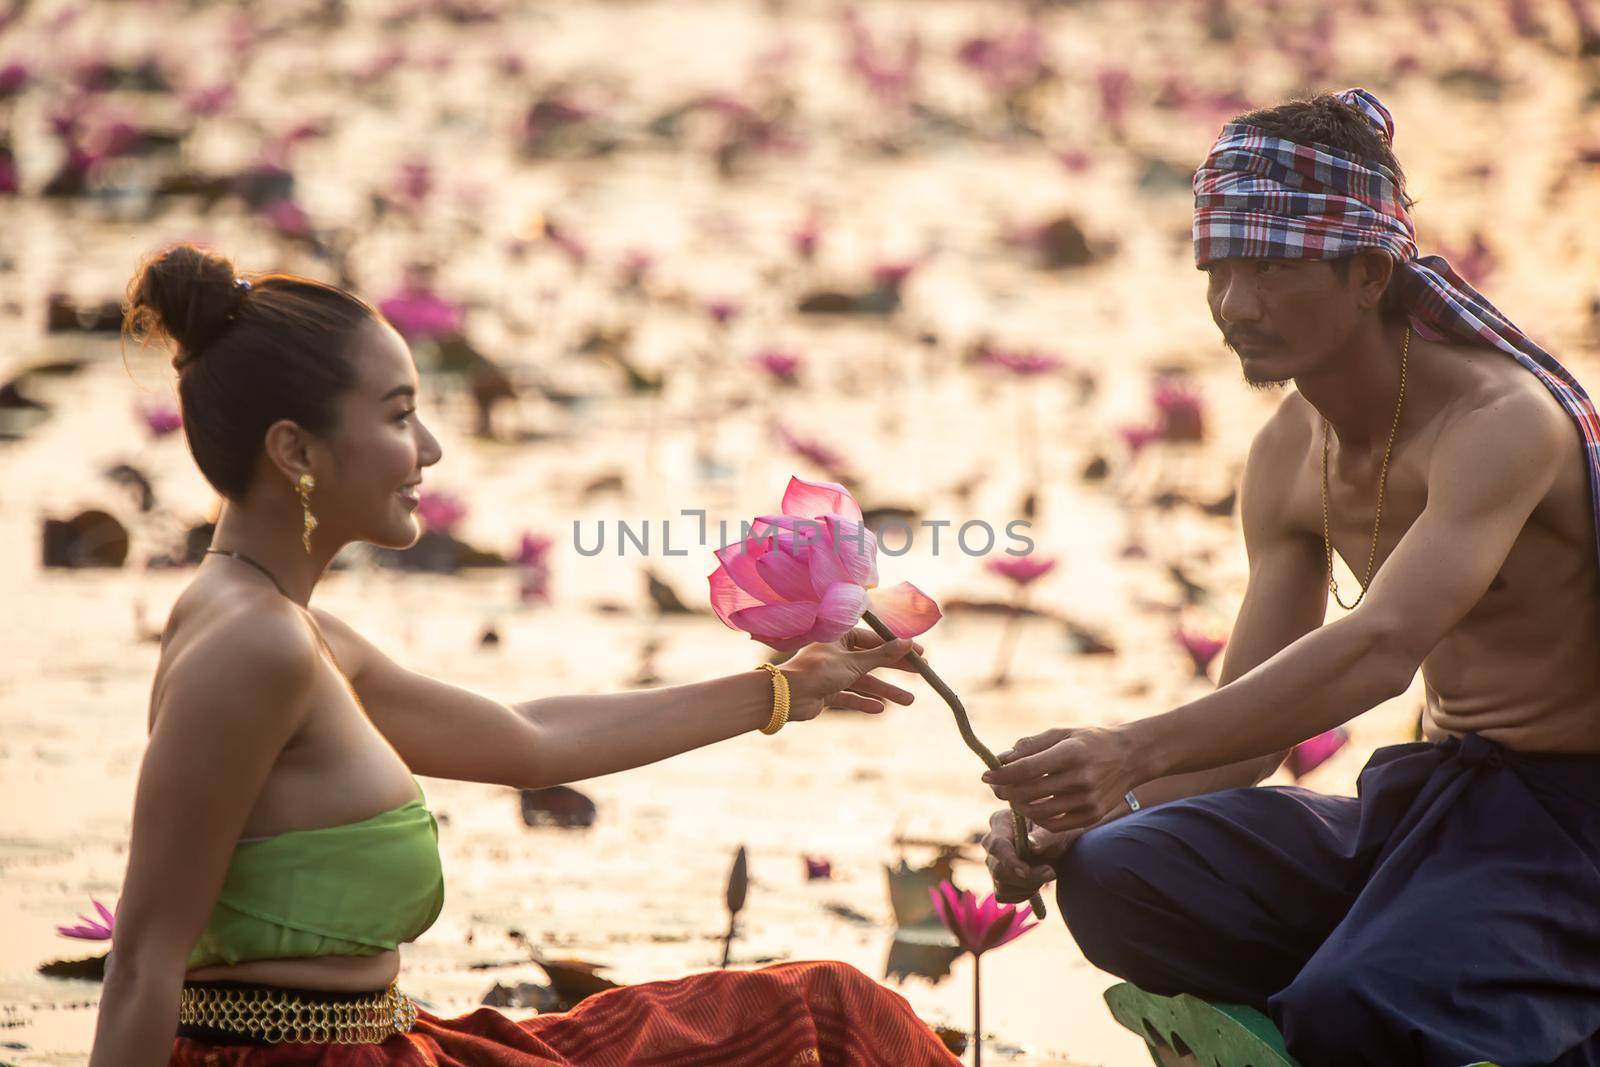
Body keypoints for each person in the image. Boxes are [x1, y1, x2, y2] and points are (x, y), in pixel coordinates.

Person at [93, 243, 963, 1067]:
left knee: (827, 1008)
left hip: (393, 1042)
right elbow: (140, 965)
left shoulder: (287, 630)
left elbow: (528, 740)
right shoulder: (254, 644)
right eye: (400, 416)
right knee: (833, 1021)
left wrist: (782, 687)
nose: (430, 449)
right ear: (295, 450)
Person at [980, 89, 1600, 1066]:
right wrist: (1076, 817)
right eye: (1218, 265)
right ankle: (1408, 979)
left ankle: (1467, 1002)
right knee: (1111, 874)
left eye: (1269, 266)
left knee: (1354, 1002)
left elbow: (1383, 646)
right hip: (1431, 804)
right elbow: (1241, 738)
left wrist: (1127, 750)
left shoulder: (1498, 422)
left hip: (1571, 830)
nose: (1235, 304)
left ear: (1366, 271)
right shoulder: (1284, 452)